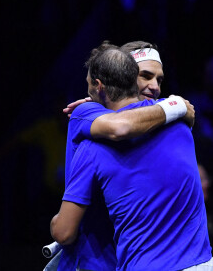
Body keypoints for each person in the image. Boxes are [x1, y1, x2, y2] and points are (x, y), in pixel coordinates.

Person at [51, 47, 212, 270]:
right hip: (202, 264)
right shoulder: (180, 120)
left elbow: (63, 232)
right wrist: (177, 105)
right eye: (146, 76)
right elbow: (123, 124)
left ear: (98, 86)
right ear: (132, 79)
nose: (154, 85)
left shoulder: (90, 140)